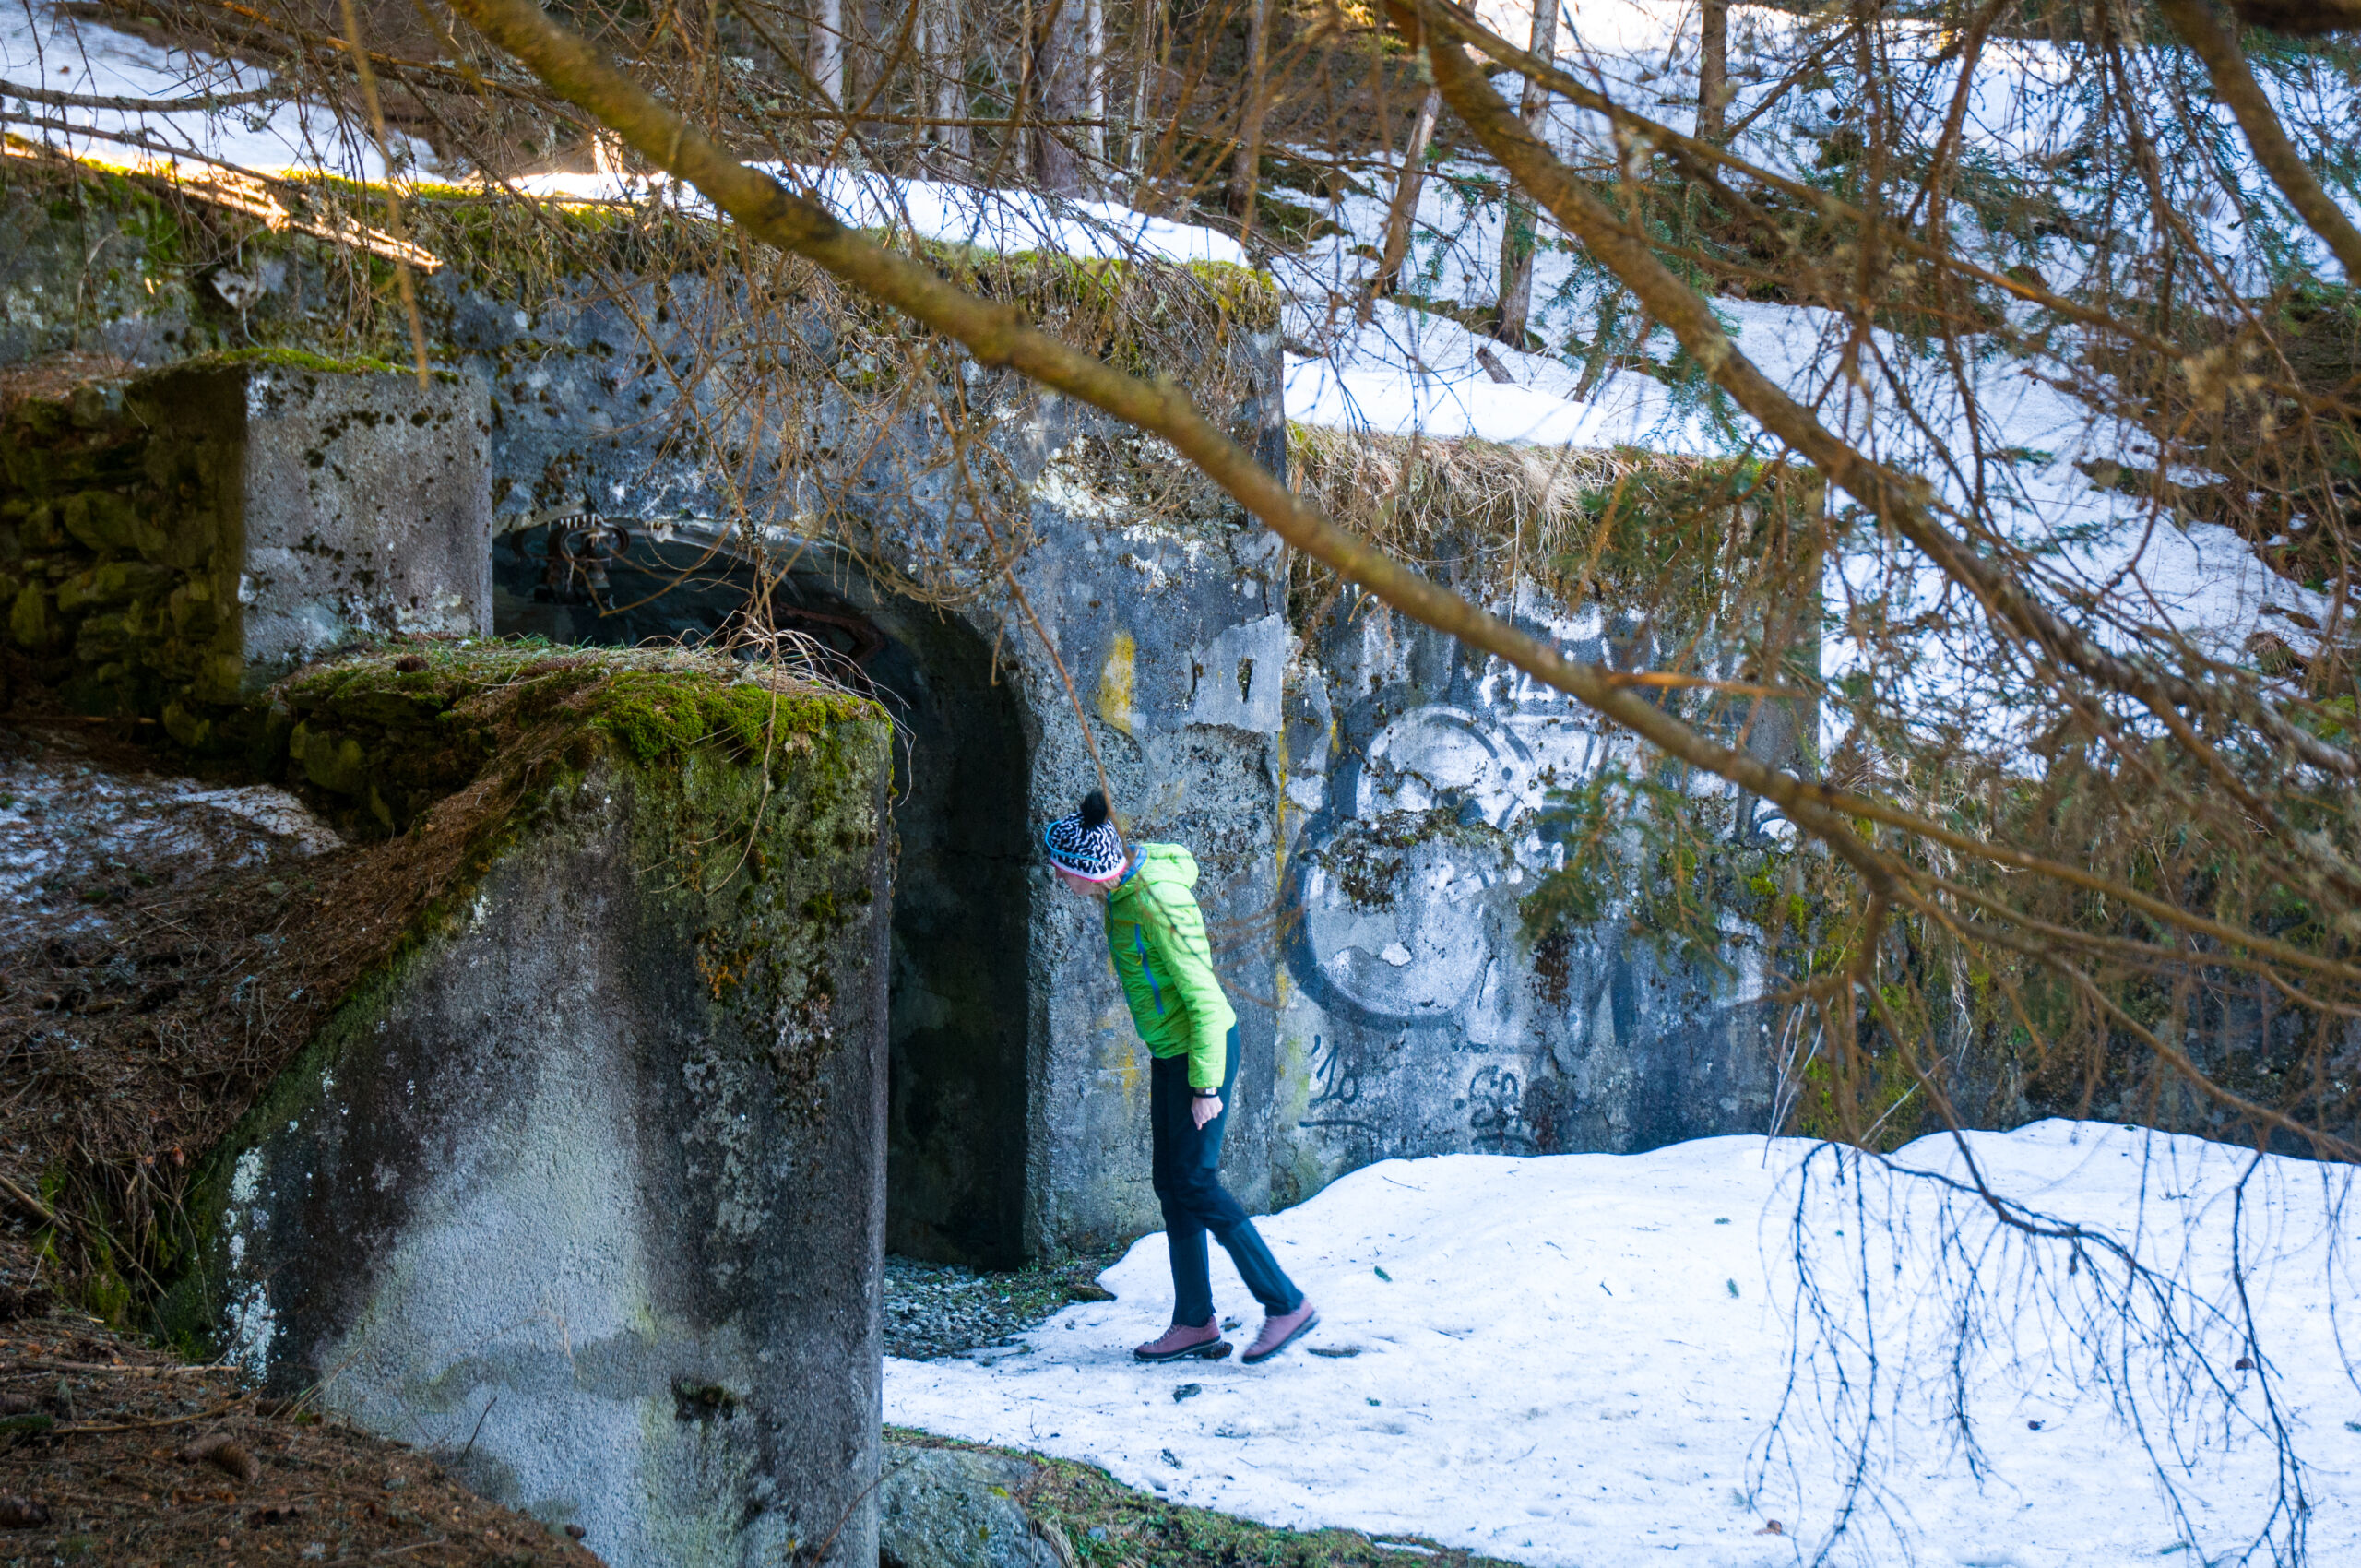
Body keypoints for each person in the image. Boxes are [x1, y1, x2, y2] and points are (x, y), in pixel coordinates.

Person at [1044, 790, 1319, 1365]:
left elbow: (1204, 998)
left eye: (1063, 870)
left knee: (1196, 1182)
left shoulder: (1155, 904)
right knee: (1172, 1184)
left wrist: (1205, 1088)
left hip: (1205, 1049)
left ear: (1091, 873)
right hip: (1173, 1051)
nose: (1057, 876)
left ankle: (1285, 1303)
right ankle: (1195, 1320)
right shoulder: (1120, 891)